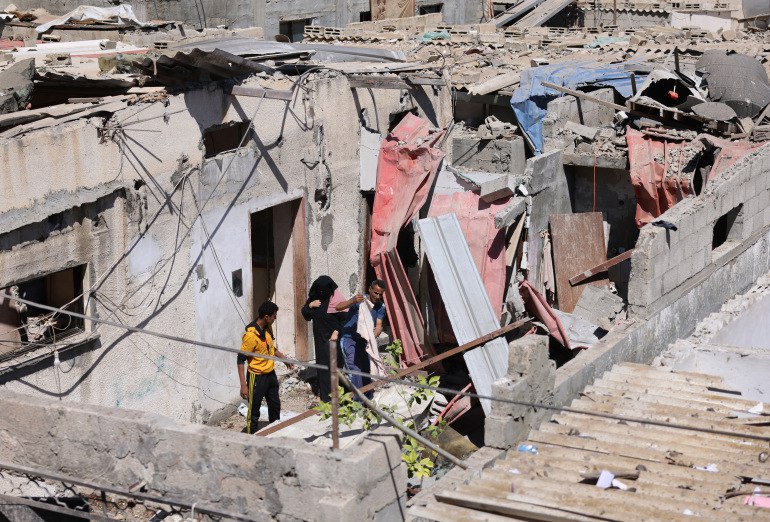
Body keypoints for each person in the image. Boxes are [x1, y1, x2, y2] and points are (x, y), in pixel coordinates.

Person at [237, 301, 293, 434]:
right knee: (254, 410)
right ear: (267, 317)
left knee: (275, 405)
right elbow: (240, 360)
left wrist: (283, 358)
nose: (275, 318)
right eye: (274, 316)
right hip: (256, 377)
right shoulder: (250, 336)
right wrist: (243, 385)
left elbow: (270, 348)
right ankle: (251, 437)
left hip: (270, 374)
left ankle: (274, 431)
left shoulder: (268, 327)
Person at [336, 279, 387, 399]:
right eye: (375, 293)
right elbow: (338, 307)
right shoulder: (359, 300)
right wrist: (352, 301)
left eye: (380, 294)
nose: (378, 296)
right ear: (370, 289)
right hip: (349, 338)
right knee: (355, 369)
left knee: (366, 369)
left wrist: (371, 338)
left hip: (364, 341)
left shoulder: (380, 306)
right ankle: (357, 402)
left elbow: (378, 326)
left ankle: (367, 399)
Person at [301, 275, 344, 403]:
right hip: (320, 339)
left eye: (324, 290)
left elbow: (344, 318)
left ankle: (336, 396)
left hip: (333, 339)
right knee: (323, 368)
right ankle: (325, 397)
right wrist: (310, 306)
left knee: (335, 366)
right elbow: (305, 315)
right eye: (319, 290)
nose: (322, 293)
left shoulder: (336, 300)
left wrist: (336, 332)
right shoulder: (315, 299)